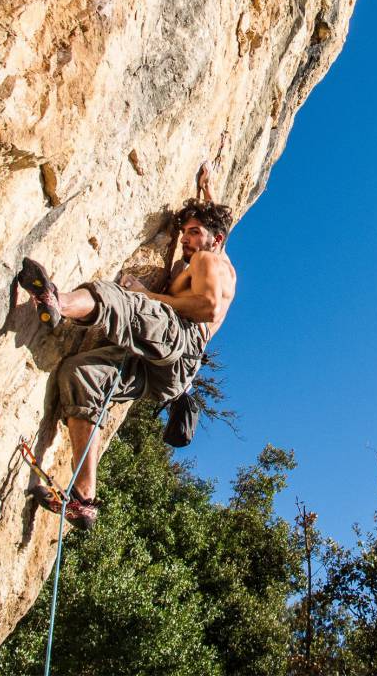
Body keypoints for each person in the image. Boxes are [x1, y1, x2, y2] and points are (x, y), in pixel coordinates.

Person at [17, 191, 237, 528]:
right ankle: (84, 498)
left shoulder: (206, 261)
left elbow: (208, 307)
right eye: (185, 233)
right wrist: (207, 190)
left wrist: (148, 295)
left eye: (194, 232)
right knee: (81, 375)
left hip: (182, 339)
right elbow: (221, 229)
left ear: (214, 239)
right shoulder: (223, 266)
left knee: (125, 302)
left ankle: (57, 302)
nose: (186, 240)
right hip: (172, 375)